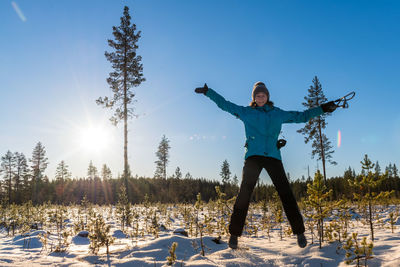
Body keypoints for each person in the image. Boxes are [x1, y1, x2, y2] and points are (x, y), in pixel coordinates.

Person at [195, 82, 337, 249]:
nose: (260, 97)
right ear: (254, 98)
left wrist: (323, 108)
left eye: (263, 95)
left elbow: (302, 116)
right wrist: (208, 92)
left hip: (273, 157)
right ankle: (234, 234)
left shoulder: (278, 114)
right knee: (244, 195)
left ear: (267, 96)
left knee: (286, 194)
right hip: (253, 157)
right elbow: (225, 104)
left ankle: (299, 232)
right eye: (257, 95)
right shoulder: (246, 112)